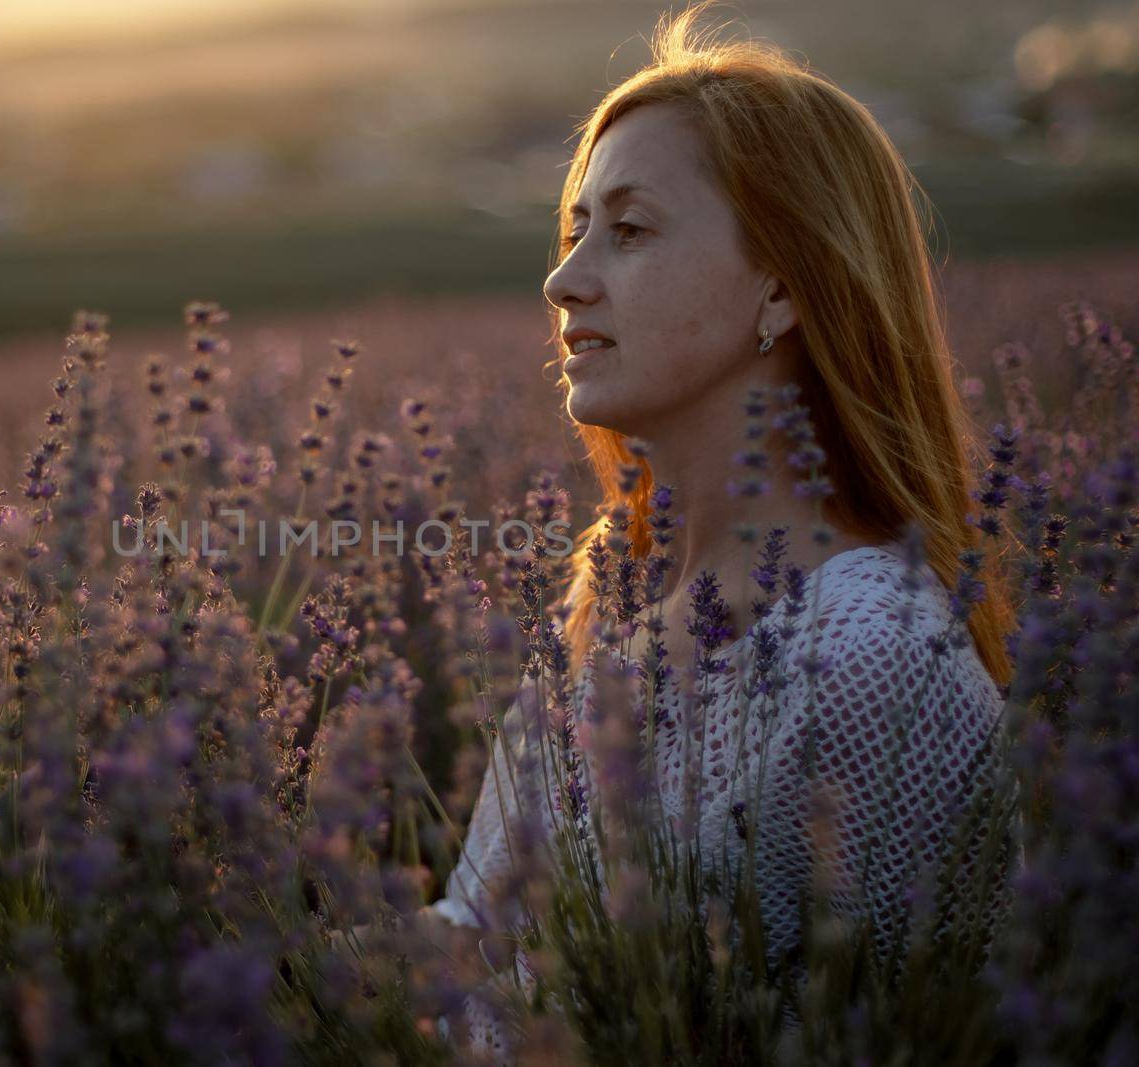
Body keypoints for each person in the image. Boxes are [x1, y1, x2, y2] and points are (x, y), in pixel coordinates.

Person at [420, 3, 1018, 1060]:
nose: (563, 281)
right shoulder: (604, 596)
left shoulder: (871, 655)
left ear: (783, 283)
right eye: (573, 231)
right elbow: (472, 945)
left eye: (631, 229)